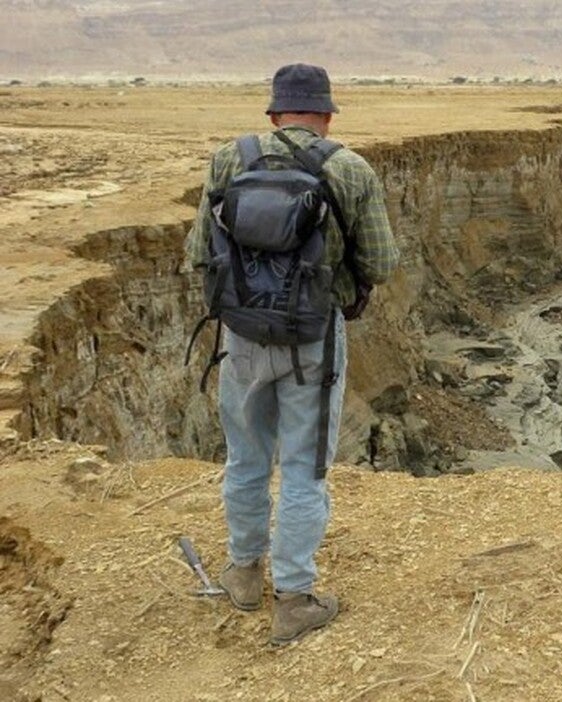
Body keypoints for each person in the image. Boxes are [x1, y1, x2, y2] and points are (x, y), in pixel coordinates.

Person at [184, 63, 399, 645]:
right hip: (313, 342)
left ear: (274, 113)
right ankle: (295, 599)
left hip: (241, 338)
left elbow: (198, 252)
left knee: (245, 458)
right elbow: (381, 263)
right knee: (304, 469)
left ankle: (243, 574)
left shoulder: (229, 160)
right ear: (326, 114)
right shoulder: (348, 168)